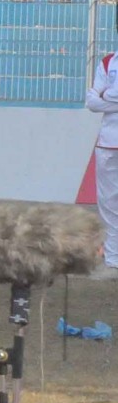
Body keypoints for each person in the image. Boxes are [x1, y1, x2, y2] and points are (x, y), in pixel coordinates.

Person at [85, 51, 118, 279]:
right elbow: (92, 102)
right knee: (107, 204)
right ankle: (113, 258)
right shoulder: (108, 61)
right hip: (107, 144)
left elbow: (100, 98)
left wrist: (107, 94)